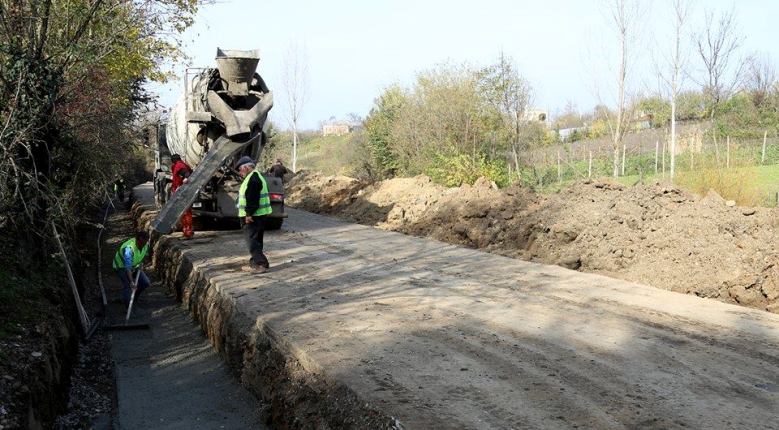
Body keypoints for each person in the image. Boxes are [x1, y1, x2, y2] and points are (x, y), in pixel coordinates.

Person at [236, 156, 272, 273]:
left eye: (240, 170)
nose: (240, 173)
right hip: (259, 215)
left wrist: (248, 214)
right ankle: (256, 263)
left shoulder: (253, 179)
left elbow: (252, 198)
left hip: (254, 216)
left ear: (246, 167)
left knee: (252, 241)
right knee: (256, 240)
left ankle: (260, 265)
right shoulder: (255, 176)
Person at [112, 230, 151, 305]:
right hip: (121, 267)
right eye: (143, 242)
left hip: (134, 266)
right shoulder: (129, 249)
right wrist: (131, 282)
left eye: (146, 241)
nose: (145, 244)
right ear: (139, 239)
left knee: (145, 283)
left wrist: (141, 264)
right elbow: (128, 268)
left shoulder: (145, 245)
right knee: (128, 287)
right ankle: (127, 306)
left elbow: (144, 255)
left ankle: (133, 299)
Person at [170, 154, 194, 238]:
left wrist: (181, 186)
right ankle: (187, 231)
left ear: (173, 160)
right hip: (182, 192)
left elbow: (187, 175)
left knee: (185, 213)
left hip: (182, 193)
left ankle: (188, 232)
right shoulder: (181, 165)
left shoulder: (179, 166)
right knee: (185, 212)